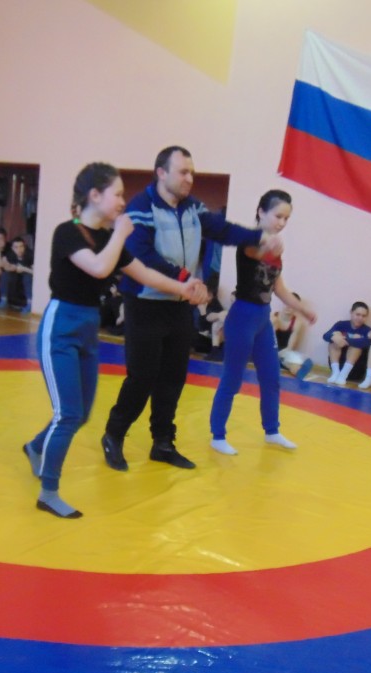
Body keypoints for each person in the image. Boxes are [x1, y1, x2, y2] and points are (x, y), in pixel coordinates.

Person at [23, 162, 204, 519]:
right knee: (68, 413)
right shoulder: (68, 232)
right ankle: (48, 492)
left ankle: (35, 447)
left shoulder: (109, 239)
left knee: (81, 414)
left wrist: (183, 288)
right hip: (61, 327)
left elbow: (144, 273)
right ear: (94, 195)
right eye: (118, 194)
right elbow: (98, 268)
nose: (124, 201)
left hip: (88, 328)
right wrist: (121, 233)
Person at [101, 146, 283, 471]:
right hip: (145, 304)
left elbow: (223, 230)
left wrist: (259, 236)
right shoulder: (141, 208)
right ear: (161, 173)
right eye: (183, 172)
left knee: (173, 376)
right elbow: (143, 256)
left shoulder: (193, 207)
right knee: (142, 377)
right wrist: (185, 278)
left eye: (192, 172)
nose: (189, 178)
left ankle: (163, 442)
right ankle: (114, 435)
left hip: (180, 305)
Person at [209, 190, 317, 456]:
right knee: (232, 378)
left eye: (286, 219)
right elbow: (255, 252)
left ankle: (272, 430)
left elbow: (279, 288)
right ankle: (218, 435)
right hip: (242, 317)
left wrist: (302, 308)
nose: (282, 223)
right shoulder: (250, 240)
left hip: (262, 319)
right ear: (261, 212)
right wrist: (269, 245)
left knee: (271, 378)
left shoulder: (276, 248)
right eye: (278, 216)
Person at [323, 301, 371, 385]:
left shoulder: (368, 330)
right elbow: (325, 336)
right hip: (338, 365)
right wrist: (334, 337)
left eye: (363, 316)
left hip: (355, 369)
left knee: (356, 345)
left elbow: (367, 342)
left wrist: (346, 339)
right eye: (358, 314)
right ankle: (335, 373)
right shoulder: (341, 324)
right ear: (351, 313)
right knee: (334, 338)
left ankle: (343, 375)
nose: (360, 318)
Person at [272, 292, 314, 379]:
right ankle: (284, 363)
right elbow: (267, 342)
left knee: (307, 362)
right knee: (288, 362)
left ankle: (292, 369)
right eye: (286, 304)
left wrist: (284, 355)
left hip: (284, 353)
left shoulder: (297, 323)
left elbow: (290, 347)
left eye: (292, 306)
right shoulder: (273, 317)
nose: (288, 307)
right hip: (269, 351)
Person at [0, 236, 34, 313]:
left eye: (21, 246)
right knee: (5, 274)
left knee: (27, 277)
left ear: (24, 246)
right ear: (12, 248)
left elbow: (37, 273)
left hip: (28, 274)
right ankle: (3, 301)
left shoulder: (30, 255)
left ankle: (30, 304)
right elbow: (2, 265)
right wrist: (11, 267)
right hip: (16, 275)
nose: (19, 250)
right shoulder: (10, 254)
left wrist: (24, 268)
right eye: (16, 247)